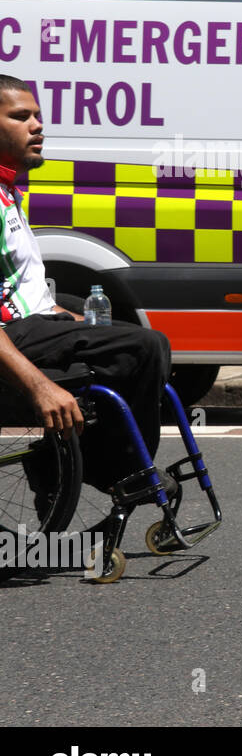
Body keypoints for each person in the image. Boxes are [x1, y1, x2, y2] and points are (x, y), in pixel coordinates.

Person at [0, 75, 173, 495]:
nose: (37, 126)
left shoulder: (8, 192)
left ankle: (70, 462)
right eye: (21, 116)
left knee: (138, 344)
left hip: (32, 326)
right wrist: (40, 386)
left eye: (38, 116)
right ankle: (121, 474)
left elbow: (20, 291)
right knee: (145, 347)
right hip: (13, 337)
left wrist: (73, 321)